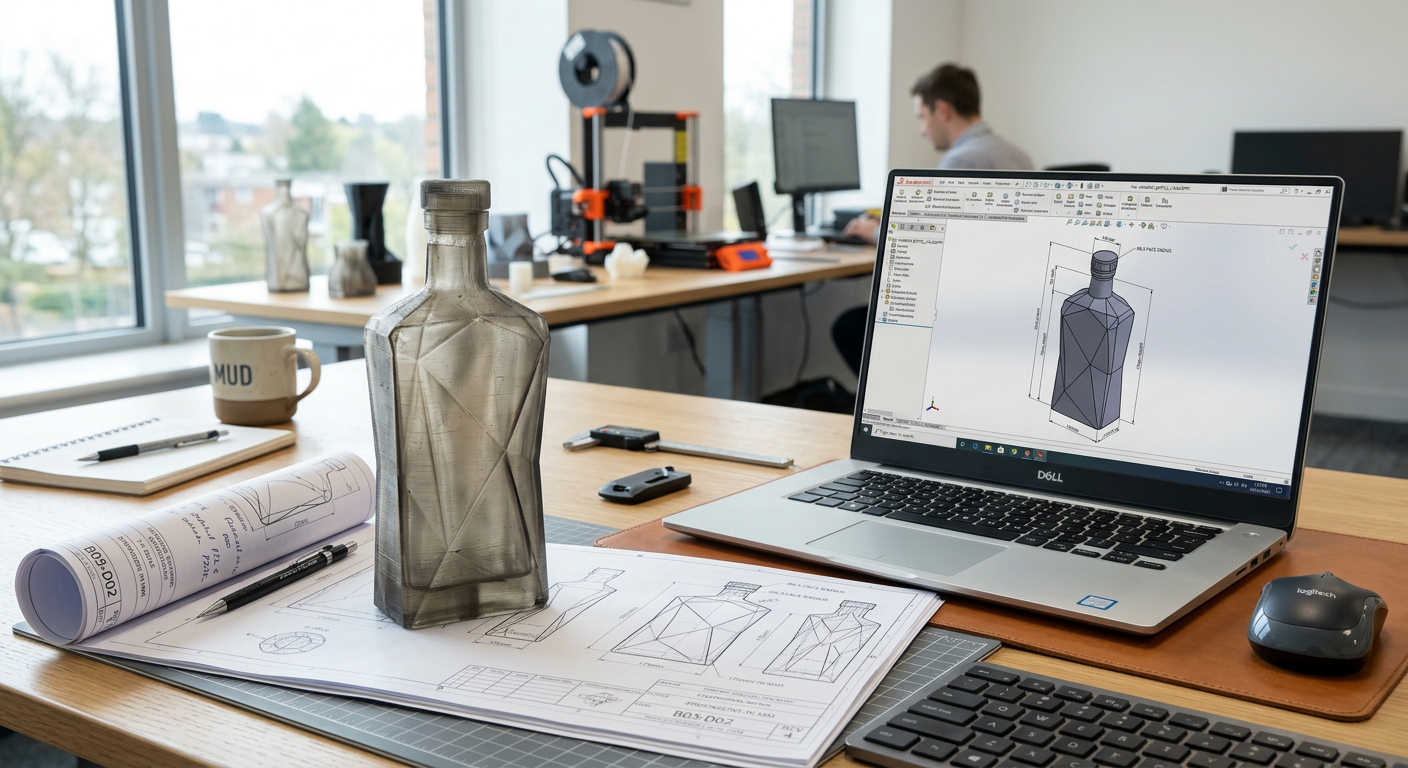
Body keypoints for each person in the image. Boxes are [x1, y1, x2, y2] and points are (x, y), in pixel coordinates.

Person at [843, 63, 1032, 243]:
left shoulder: (961, 161)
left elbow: (932, 241)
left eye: (922, 117)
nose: (922, 131)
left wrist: (875, 232)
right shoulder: (1018, 155)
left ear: (942, 110)